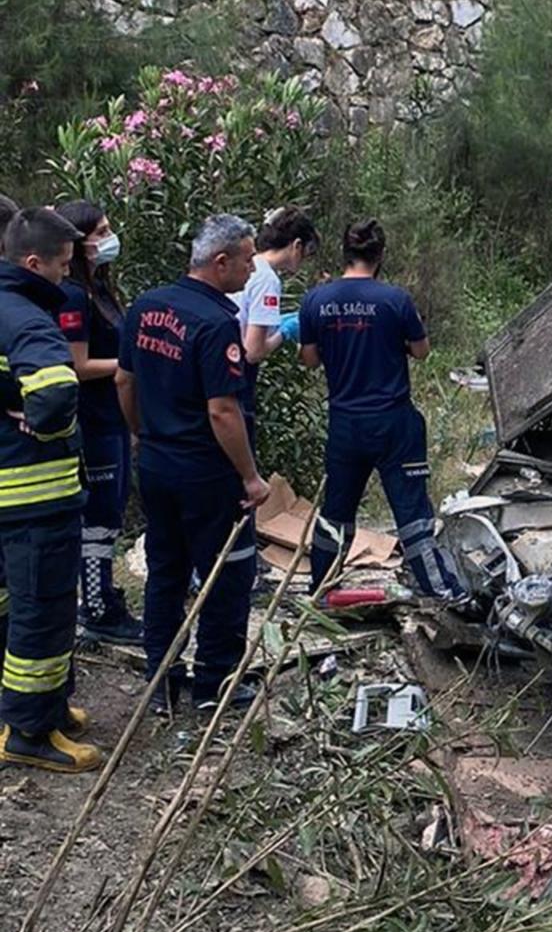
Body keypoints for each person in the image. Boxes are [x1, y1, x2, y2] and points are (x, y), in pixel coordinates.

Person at [118, 217, 271, 718]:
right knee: (227, 575)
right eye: (247, 258)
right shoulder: (214, 323)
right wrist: (250, 476)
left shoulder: (146, 306)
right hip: (207, 473)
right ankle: (214, 682)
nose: (253, 267)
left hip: (158, 465)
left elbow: (124, 381)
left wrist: (141, 434)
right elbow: (222, 409)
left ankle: (160, 682)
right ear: (220, 262)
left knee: (166, 572)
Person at [302, 219, 460, 598]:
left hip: (345, 422)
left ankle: (321, 589)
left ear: (344, 252)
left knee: (336, 513)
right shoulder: (395, 300)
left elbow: (308, 359)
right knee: (412, 514)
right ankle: (441, 592)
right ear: (380, 255)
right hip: (393, 422)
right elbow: (421, 352)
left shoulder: (316, 300)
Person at [0, 207, 96, 774]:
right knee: (45, 608)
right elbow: (57, 394)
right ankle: (31, 731)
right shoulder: (29, 318)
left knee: (12, 606)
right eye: (63, 267)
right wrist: (46, 424)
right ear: (34, 263)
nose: (67, 276)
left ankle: (34, 706)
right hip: (36, 498)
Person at [54, 199, 140, 648]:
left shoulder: (100, 288)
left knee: (111, 511)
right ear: (77, 241)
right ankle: (97, 606)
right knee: (99, 516)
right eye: (101, 231)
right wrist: (129, 363)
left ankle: (104, 595)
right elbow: (78, 365)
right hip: (91, 416)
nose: (109, 238)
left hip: (113, 416)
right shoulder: (71, 294)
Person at [236, 207, 320, 418]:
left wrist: (275, 322)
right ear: (297, 246)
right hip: (237, 375)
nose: (303, 263)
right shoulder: (267, 279)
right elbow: (253, 352)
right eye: (306, 255)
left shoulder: (247, 265)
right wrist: (285, 332)